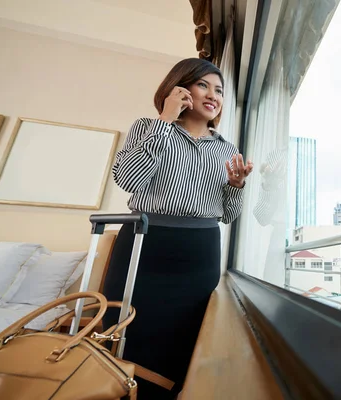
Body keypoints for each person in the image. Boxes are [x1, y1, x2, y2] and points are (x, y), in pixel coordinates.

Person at [102, 58, 253, 399]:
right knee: (123, 329)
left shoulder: (228, 150)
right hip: (143, 243)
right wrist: (165, 121)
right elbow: (128, 179)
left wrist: (236, 186)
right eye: (204, 85)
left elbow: (228, 215)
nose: (214, 95)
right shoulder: (147, 126)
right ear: (180, 88)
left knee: (182, 337)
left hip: (198, 252)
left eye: (220, 90)